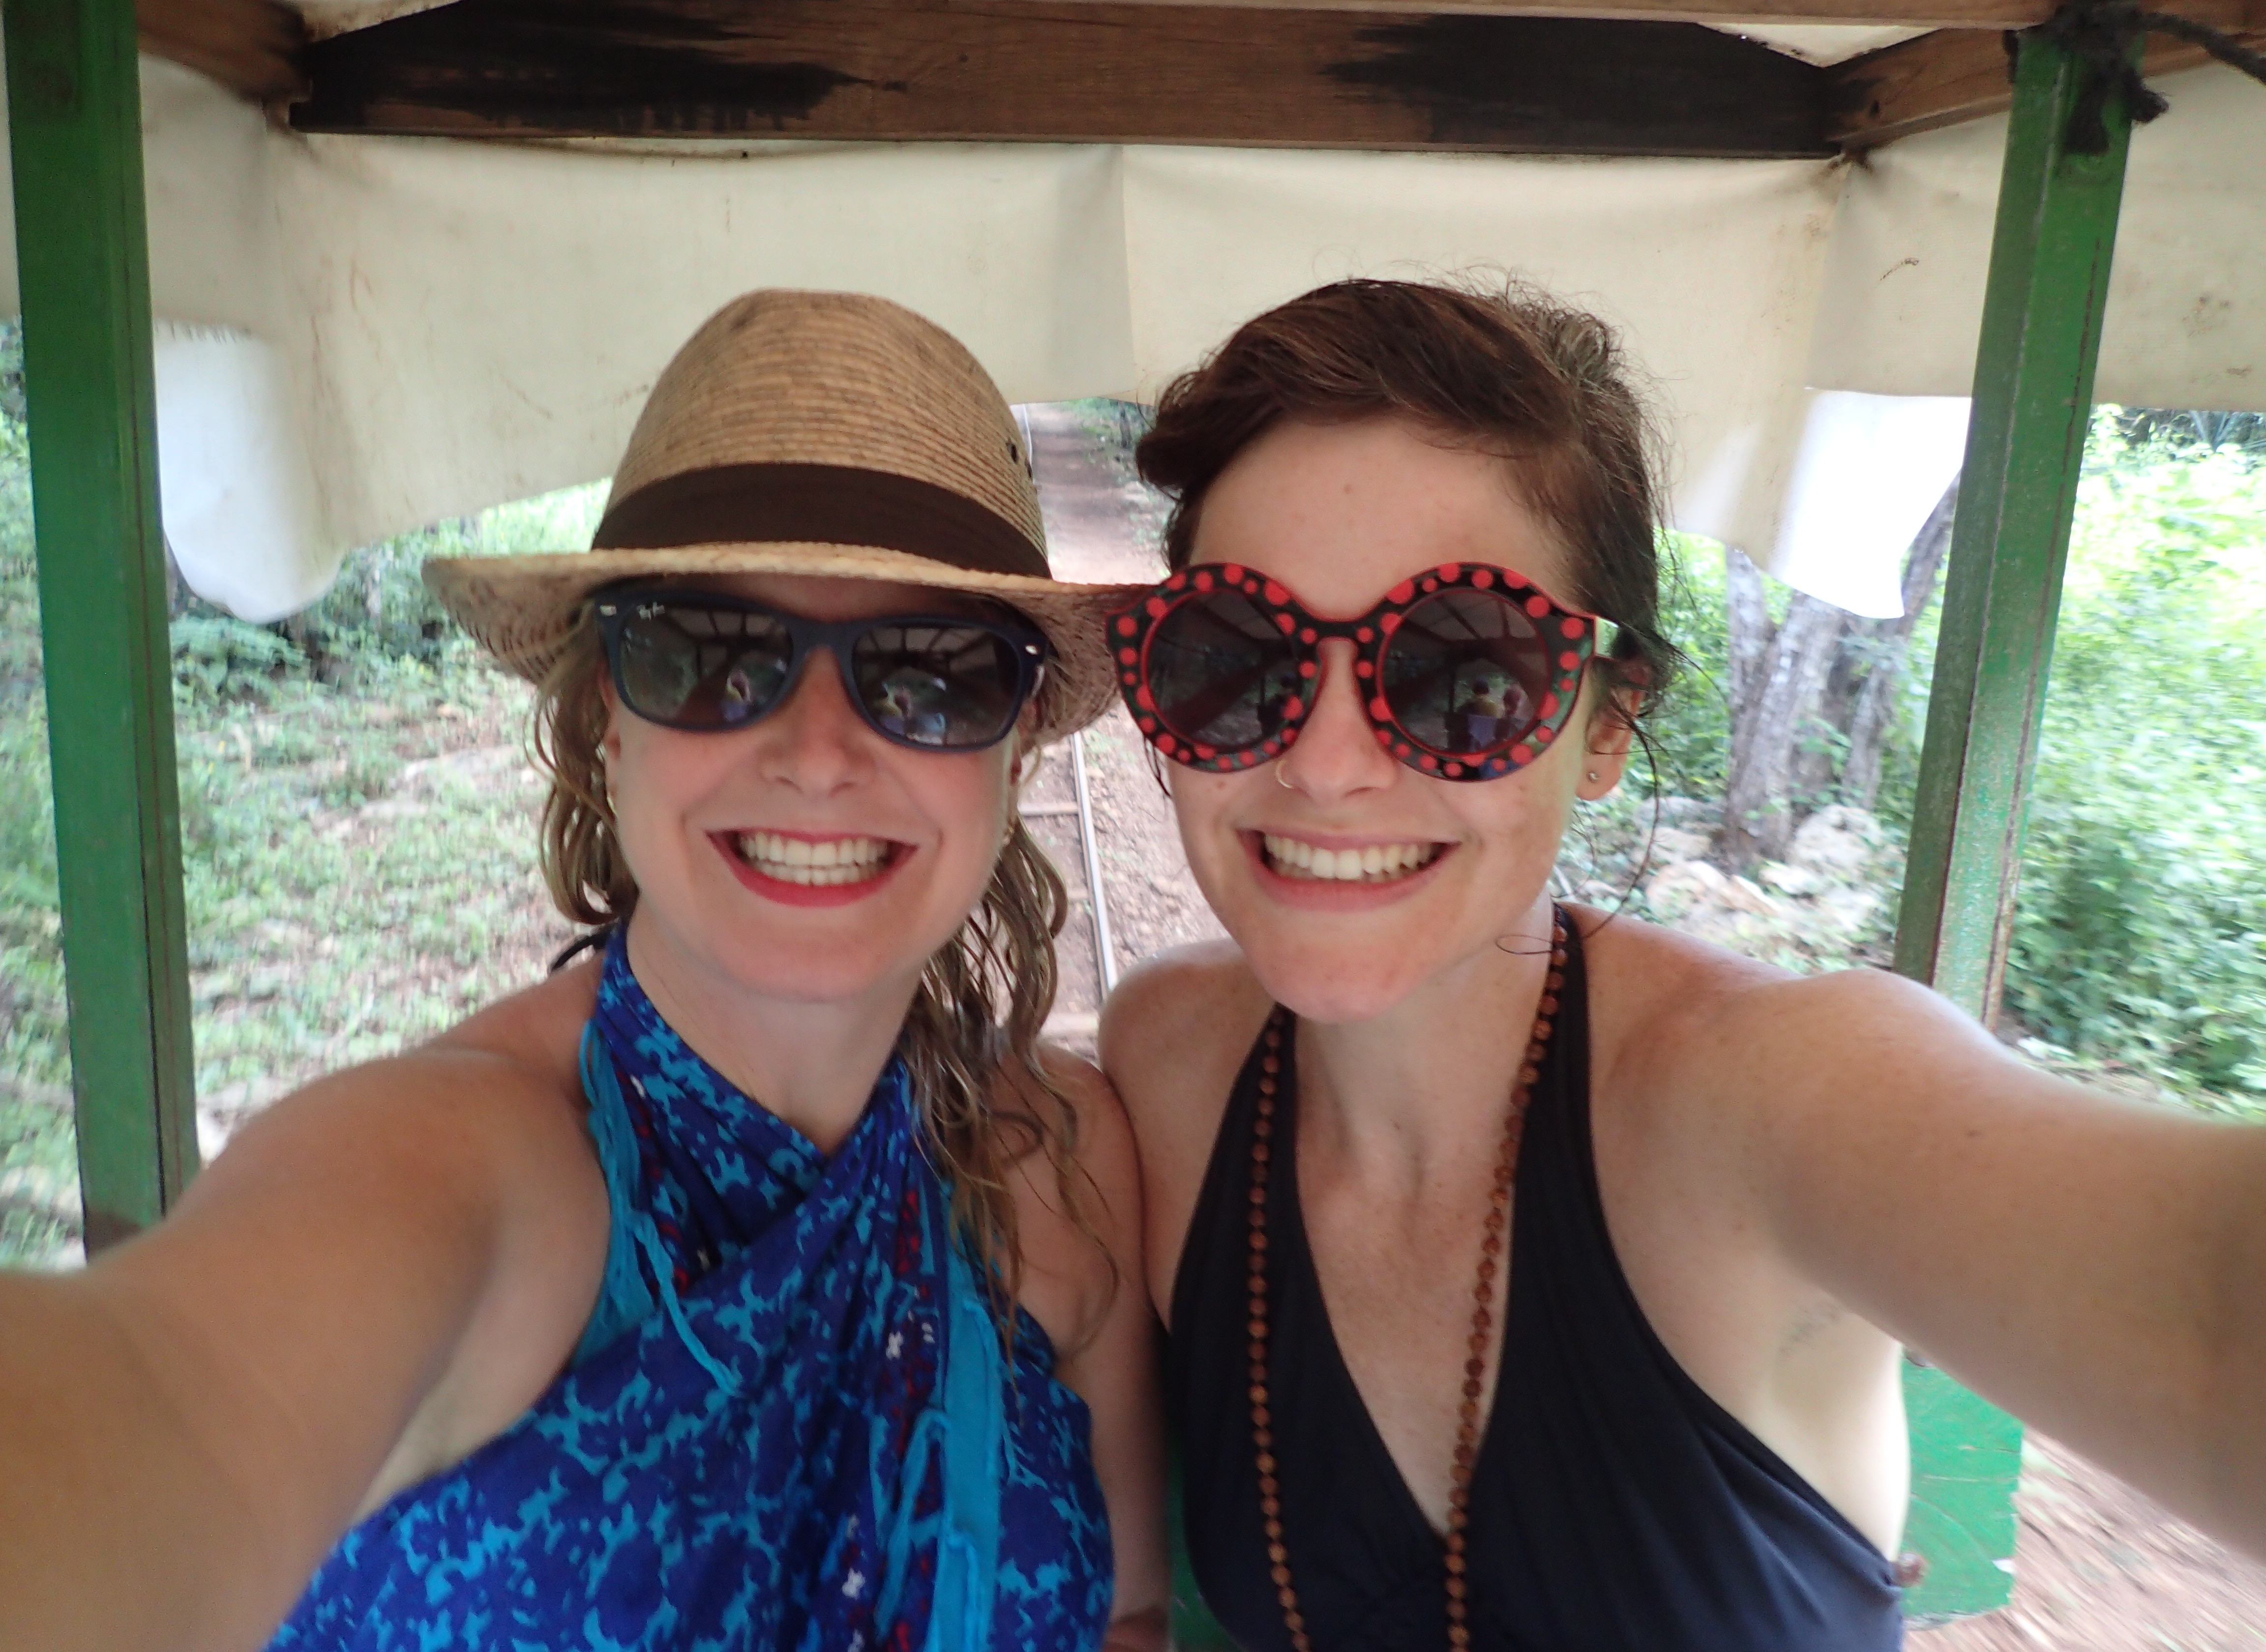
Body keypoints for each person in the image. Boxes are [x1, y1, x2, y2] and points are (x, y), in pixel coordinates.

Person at [1098, 277, 2266, 1652]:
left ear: (1607, 725)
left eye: (1463, 671)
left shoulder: (1775, 1098)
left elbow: (2215, 1313)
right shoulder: (1170, 1061)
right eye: (1237, 655)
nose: (1328, 762)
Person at [0, 291, 1167, 1652]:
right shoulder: (467, 1166)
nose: (818, 753)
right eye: (712, 655)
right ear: (608, 718)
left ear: (1017, 750)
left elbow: (1130, 1615)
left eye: (934, 674)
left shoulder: (1063, 1161)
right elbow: (168, 1398)